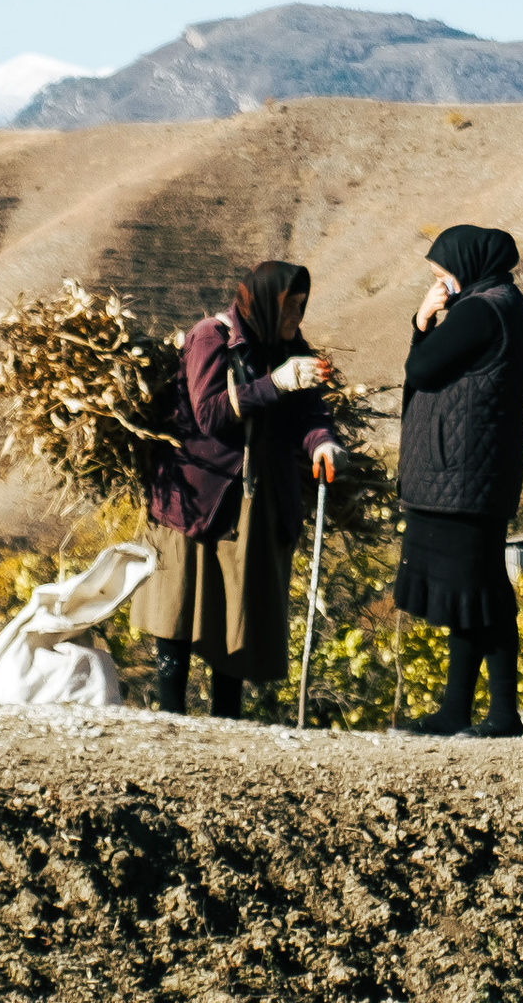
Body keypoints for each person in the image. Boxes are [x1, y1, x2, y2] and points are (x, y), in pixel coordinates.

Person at [138, 258, 339, 718]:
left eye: (302, 308)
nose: (296, 318)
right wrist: (276, 383)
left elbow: (308, 414)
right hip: (198, 496)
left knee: (233, 610)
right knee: (180, 607)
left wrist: (322, 442)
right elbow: (209, 414)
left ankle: (226, 720)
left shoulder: (292, 347)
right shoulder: (212, 337)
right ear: (266, 302)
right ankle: (170, 716)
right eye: (290, 307)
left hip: (253, 500)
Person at [393, 223, 523, 737]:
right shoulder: (505, 303)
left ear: (467, 267)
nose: (441, 283)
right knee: (471, 594)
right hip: (473, 473)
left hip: (460, 473)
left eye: (444, 275)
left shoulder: (481, 310)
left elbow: (422, 368)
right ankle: (463, 709)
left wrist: (423, 319)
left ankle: (499, 714)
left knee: (482, 593)